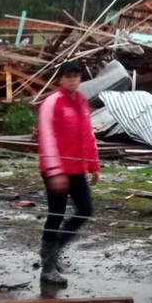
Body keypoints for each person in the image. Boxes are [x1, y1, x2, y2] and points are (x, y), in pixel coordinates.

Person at [35, 60, 100, 285]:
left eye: (76, 75)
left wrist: (93, 164)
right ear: (60, 79)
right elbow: (47, 138)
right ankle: (48, 269)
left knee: (85, 210)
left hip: (75, 168)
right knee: (56, 215)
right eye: (68, 75)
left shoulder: (81, 102)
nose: (73, 79)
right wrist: (55, 172)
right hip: (56, 170)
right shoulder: (51, 103)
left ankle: (52, 251)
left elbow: (88, 135)